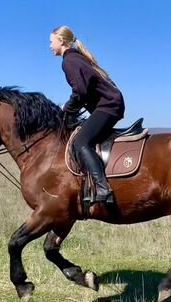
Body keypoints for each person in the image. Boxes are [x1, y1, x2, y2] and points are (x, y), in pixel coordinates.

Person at [50, 25, 125, 205]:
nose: (49, 45)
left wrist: (66, 109)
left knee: (80, 141)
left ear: (61, 41)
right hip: (111, 104)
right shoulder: (76, 58)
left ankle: (102, 187)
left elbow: (80, 92)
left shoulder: (69, 61)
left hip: (108, 106)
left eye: (51, 41)